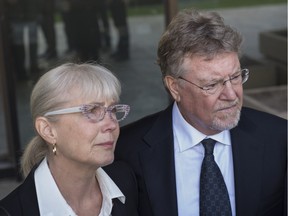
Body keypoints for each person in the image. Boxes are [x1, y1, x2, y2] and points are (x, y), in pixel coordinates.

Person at [114, 8, 287, 216]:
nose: (232, 95)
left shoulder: (279, 139)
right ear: (175, 87)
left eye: (235, 77)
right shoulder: (126, 150)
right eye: (212, 84)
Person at [0, 63, 139, 216]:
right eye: (92, 110)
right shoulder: (11, 212)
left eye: (112, 110)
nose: (111, 124)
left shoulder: (125, 180)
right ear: (48, 130)